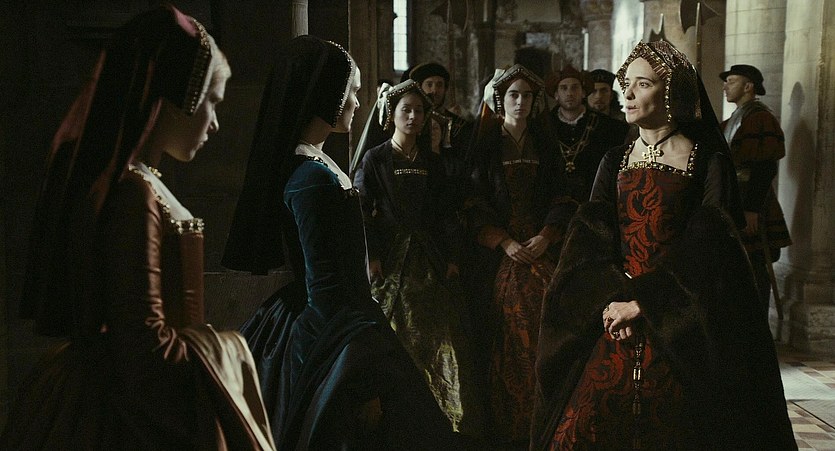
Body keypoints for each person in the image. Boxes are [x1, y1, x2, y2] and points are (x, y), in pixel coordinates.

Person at [1, 6, 274, 450]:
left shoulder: (141, 182)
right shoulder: (133, 194)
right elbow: (146, 354)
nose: (215, 122)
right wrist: (232, 351)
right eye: (212, 101)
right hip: (129, 413)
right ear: (179, 95)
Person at [532, 40, 795, 450]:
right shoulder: (614, 161)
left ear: (672, 91)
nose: (628, 94)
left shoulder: (706, 162)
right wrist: (614, 300)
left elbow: (713, 252)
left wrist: (645, 302)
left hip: (684, 319)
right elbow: (589, 246)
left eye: (643, 84)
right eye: (626, 84)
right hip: (615, 310)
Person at [221, 35, 460, 450]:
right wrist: (359, 376)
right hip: (330, 324)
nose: (356, 102)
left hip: (342, 316)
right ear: (326, 94)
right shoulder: (311, 177)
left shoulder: (316, 162)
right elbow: (327, 287)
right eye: (351, 91)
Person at [354, 80, 483, 436]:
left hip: (430, 256)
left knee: (439, 333)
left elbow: (446, 214)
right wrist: (372, 256)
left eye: (419, 111)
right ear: (391, 115)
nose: (413, 117)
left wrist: (451, 257)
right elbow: (363, 210)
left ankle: (437, 417)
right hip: (391, 256)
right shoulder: (376, 158)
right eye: (406, 110)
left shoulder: (432, 162)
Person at [466, 64, 574, 447]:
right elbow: (473, 201)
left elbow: (563, 194)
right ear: (500, 100)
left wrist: (547, 235)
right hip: (501, 253)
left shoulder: (545, 144)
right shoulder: (485, 146)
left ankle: (546, 418)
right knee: (508, 327)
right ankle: (510, 425)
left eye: (527, 95)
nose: (521, 102)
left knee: (550, 319)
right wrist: (503, 242)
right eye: (513, 95)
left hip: (541, 247)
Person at [721, 64, 792, 318]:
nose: (725, 86)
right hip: (735, 199)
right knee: (737, 265)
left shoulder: (760, 118)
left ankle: (757, 324)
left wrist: (752, 209)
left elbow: (764, 167)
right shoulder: (734, 119)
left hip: (751, 201)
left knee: (754, 264)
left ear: (748, 86)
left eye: (731, 81)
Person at [546, 65, 629, 204]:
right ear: (556, 95)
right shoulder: (543, 125)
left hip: (594, 201)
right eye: (564, 88)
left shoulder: (611, 127)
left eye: (575, 88)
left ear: (584, 92)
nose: (569, 93)